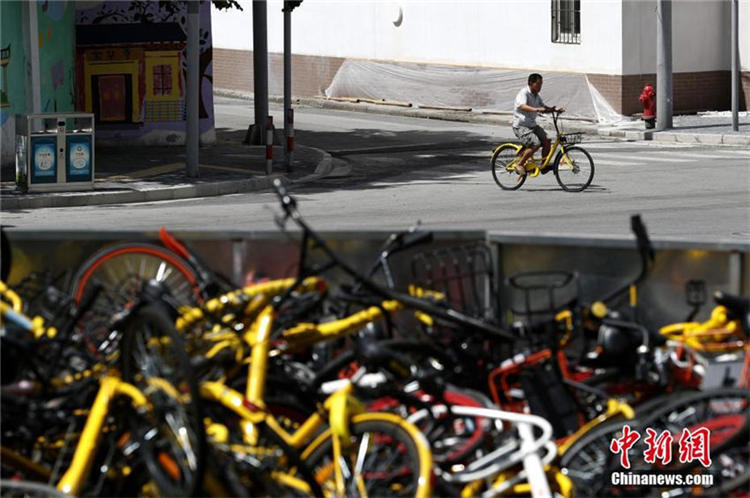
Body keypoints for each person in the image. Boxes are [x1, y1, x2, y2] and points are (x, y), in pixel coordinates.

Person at [512, 73, 563, 179]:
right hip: (521, 126)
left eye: (541, 84)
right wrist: (536, 109)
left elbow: (543, 107)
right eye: (538, 84)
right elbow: (522, 106)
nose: (540, 86)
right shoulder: (524, 93)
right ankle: (520, 164)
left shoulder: (537, 96)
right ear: (531, 83)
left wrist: (553, 109)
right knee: (536, 143)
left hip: (531, 125)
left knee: (547, 140)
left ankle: (543, 166)